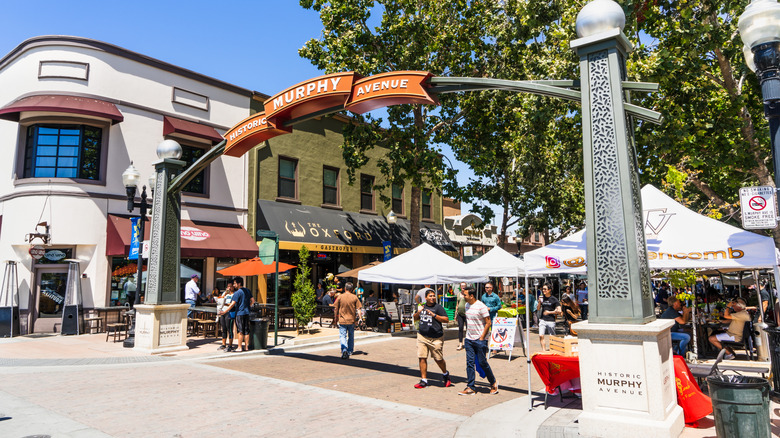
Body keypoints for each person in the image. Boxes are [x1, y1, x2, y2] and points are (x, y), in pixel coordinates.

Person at [458, 287, 498, 396]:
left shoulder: (481, 306)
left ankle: (493, 382)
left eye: (465, 295)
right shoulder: (466, 305)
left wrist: (482, 338)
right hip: (469, 339)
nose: (463, 296)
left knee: (482, 362)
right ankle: (471, 386)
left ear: (471, 296)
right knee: (469, 363)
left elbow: (488, 323)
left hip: (480, 340)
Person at [413, 288, 452, 389]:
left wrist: (434, 315)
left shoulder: (438, 307)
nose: (432, 298)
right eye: (430, 296)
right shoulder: (422, 307)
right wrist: (418, 312)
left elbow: (446, 320)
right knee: (422, 357)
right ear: (425, 298)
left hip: (436, 338)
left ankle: (445, 374)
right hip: (422, 336)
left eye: (433, 296)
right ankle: (424, 380)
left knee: (438, 359)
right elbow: (415, 317)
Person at [218, 277, 254, 352]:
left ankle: (239, 347)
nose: (234, 285)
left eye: (234, 283)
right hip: (247, 312)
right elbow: (253, 301)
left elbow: (232, 304)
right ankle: (246, 347)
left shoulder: (237, 293)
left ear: (239, 284)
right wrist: (248, 306)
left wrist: (224, 312)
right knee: (246, 330)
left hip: (240, 313)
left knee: (240, 330)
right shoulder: (247, 290)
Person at [334, 282, 362, 359]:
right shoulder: (354, 297)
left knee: (342, 335)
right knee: (351, 336)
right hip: (351, 320)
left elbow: (335, 308)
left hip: (342, 319)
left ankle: (344, 349)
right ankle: (350, 351)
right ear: (352, 289)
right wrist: (360, 318)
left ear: (345, 288)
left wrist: (335, 318)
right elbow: (359, 309)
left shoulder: (340, 297)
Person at [538, 283, 561, 350]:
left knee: (552, 337)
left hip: (551, 320)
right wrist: (539, 302)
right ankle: (544, 350)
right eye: (543, 289)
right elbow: (538, 309)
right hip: (542, 319)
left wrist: (549, 312)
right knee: (541, 335)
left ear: (549, 290)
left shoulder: (554, 299)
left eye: (545, 289)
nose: (543, 290)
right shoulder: (542, 298)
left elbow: (559, 311)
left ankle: (552, 350)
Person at [217, 284, 235, 351]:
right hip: (223, 311)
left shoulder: (234, 294)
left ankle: (230, 345)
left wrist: (227, 304)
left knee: (229, 329)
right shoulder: (225, 294)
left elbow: (233, 304)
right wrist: (224, 294)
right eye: (228, 286)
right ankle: (223, 344)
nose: (229, 288)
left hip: (229, 312)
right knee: (223, 328)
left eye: (230, 287)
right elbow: (220, 301)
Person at [456, 282, 468, 351]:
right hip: (459, 313)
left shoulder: (467, 294)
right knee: (460, 328)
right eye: (462, 286)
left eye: (464, 286)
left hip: (466, 314)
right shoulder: (458, 294)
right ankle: (460, 343)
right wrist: (455, 314)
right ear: (460, 287)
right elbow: (457, 304)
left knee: (468, 328)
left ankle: (467, 343)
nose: (463, 287)